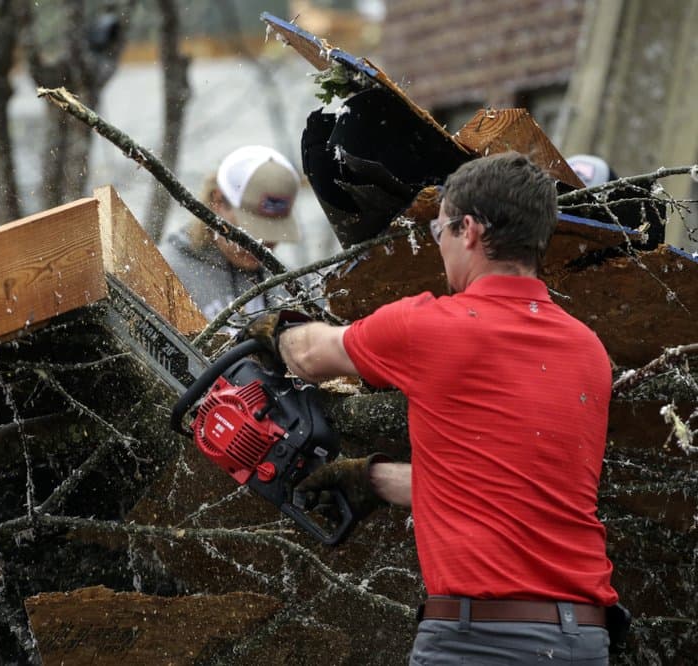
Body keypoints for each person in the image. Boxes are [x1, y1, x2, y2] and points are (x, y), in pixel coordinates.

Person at [246, 152, 620, 662]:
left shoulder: (431, 326)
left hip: (480, 640)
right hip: (580, 639)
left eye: (439, 228)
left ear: (468, 229)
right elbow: (507, 489)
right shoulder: (587, 351)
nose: (437, 243)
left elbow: (311, 356)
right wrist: (372, 479)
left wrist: (275, 328)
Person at [159, 145, 301, 323]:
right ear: (217, 201)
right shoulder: (165, 273)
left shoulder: (292, 286)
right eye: (253, 232)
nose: (262, 245)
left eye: (272, 233)